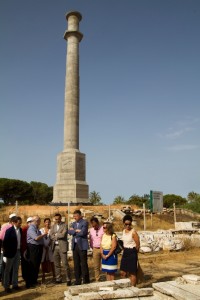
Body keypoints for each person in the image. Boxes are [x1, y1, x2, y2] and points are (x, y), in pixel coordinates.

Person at [68, 210, 90, 285]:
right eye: (74, 216)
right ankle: (78, 280)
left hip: (82, 245)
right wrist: (76, 231)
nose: (75, 218)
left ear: (80, 216)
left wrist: (74, 231)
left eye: (76, 216)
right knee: (76, 264)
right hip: (75, 245)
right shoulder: (73, 223)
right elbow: (69, 232)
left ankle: (86, 280)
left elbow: (83, 232)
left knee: (83, 263)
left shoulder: (84, 222)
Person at [26, 215, 48, 288]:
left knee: (37, 265)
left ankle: (34, 281)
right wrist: (44, 234)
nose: (39, 222)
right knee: (33, 265)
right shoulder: (31, 229)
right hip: (33, 248)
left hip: (38, 247)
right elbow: (36, 238)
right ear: (35, 221)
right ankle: (30, 283)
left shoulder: (36, 228)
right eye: (39, 220)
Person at [50, 214, 71, 285]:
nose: (57, 220)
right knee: (56, 264)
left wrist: (56, 235)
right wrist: (58, 235)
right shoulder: (53, 226)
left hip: (62, 246)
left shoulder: (64, 225)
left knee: (65, 264)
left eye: (58, 219)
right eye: (56, 219)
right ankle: (58, 278)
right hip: (54, 247)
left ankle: (68, 279)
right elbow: (51, 235)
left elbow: (63, 234)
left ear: (61, 218)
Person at [2, 216, 22, 293]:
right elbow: (5, 243)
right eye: (19, 223)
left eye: (20, 223)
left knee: (16, 269)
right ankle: (6, 286)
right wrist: (5, 255)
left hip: (18, 252)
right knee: (8, 270)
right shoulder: (9, 231)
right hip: (10, 253)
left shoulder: (20, 230)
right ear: (14, 222)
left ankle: (15, 284)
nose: (20, 224)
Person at [120, 214, 140, 286]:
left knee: (132, 272)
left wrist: (134, 252)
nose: (128, 226)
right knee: (123, 272)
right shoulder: (123, 231)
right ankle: (125, 286)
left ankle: (133, 287)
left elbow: (138, 244)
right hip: (125, 252)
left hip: (132, 252)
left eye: (129, 224)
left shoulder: (133, 232)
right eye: (126, 224)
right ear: (124, 224)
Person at [41, 218, 55, 283]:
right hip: (43, 248)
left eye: (49, 222)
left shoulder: (51, 230)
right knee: (43, 261)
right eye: (46, 222)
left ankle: (54, 276)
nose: (47, 223)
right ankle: (43, 276)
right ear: (44, 223)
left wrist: (49, 244)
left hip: (50, 248)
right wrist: (44, 245)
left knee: (52, 261)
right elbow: (40, 238)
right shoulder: (41, 230)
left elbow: (52, 238)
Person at [89, 217, 104, 282]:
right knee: (96, 266)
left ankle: (108, 277)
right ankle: (97, 279)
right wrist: (92, 247)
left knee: (105, 264)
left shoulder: (103, 228)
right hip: (95, 249)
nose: (94, 227)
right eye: (93, 225)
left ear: (98, 223)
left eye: (95, 225)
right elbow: (90, 239)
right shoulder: (91, 230)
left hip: (103, 249)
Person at [21, 217, 32, 286]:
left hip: (30, 249)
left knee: (29, 264)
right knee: (25, 264)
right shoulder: (24, 229)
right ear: (28, 223)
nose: (31, 223)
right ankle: (26, 278)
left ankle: (28, 278)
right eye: (30, 222)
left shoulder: (33, 229)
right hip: (24, 249)